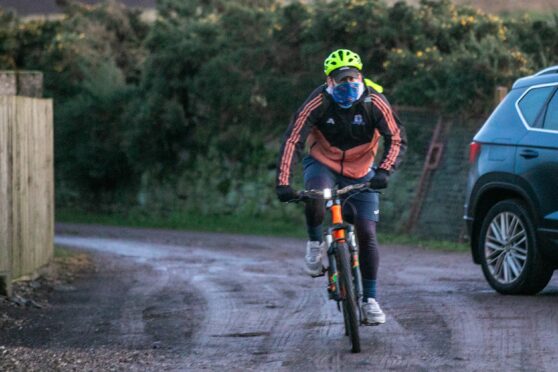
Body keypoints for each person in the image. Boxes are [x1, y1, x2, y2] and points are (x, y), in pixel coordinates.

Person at [275, 49, 407, 325]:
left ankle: (370, 299)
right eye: (340, 79)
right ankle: (314, 243)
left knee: (367, 233)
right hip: (323, 163)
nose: (348, 84)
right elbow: (292, 140)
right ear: (329, 82)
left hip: (362, 170)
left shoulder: (374, 101)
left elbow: (395, 138)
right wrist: (283, 183)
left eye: (353, 78)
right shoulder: (317, 102)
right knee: (314, 196)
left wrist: (384, 171)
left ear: (361, 77)